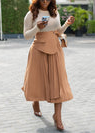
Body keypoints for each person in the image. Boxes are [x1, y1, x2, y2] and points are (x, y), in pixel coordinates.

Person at [21, 0, 75, 131]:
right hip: (38, 50)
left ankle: (58, 116)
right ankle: (35, 101)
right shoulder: (31, 14)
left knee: (59, 82)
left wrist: (66, 24)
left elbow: (58, 31)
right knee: (36, 81)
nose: (45, 1)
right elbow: (26, 36)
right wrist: (37, 28)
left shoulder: (54, 12)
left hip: (55, 50)